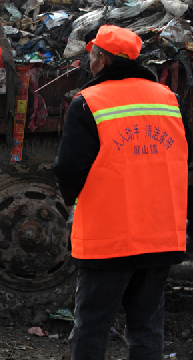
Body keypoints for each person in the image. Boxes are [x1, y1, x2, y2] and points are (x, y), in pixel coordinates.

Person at [53, 25, 190, 359]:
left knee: (92, 326)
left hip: (108, 238)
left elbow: (69, 169)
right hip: (160, 234)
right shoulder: (168, 99)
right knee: (146, 328)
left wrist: (70, 200)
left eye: (92, 55)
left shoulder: (88, 102)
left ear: (102, 59)